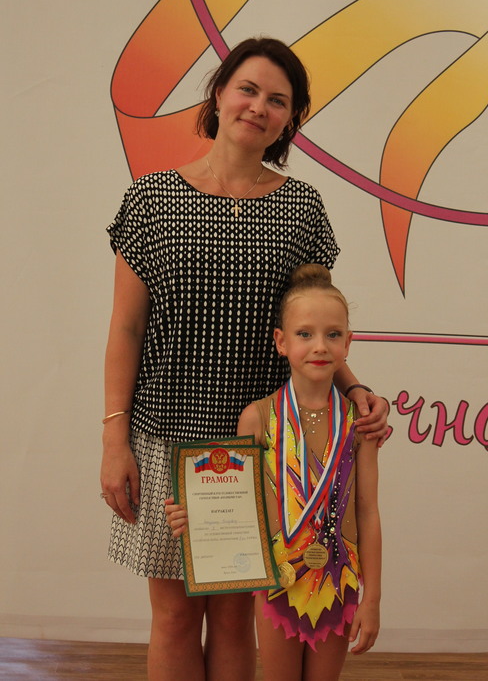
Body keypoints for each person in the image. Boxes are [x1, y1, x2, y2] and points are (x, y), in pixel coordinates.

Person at [100, 37, 388, 681]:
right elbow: (125, 328)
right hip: (166, 439)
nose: (259, 107)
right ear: (219, 94)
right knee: (174, 617)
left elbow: (311, 323)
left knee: (236, 618)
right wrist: (114, 440)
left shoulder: (301, 208)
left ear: (290, 120)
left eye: (278, 100)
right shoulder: (151, 200)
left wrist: (354, 388)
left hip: (264, 448)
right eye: (248, 90)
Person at [166, 264, 381, 681]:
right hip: (277, 583)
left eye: (333, 334)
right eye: (305, 334)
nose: (319, 346)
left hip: (340, 582)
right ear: (281, 342)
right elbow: (235, 501)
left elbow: (368, 512)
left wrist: (371, 598)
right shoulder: (258, 417)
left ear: (348, 342)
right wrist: (196, 516)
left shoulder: (360, 423)